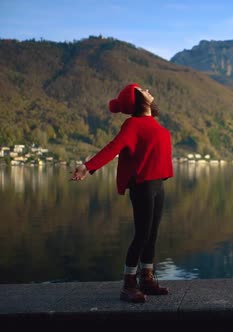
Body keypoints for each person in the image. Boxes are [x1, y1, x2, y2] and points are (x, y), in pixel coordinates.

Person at [70, 83, 174, 303]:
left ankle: (146, 280)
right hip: (142, 185)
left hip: (157, 185)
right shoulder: (132, 125)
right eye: (144, 90)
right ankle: (128, 284)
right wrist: (88, 167)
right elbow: (113, 148)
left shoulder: (151, 123)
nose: (149, 90)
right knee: (142, 235)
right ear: (139, 100)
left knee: (152, 235)